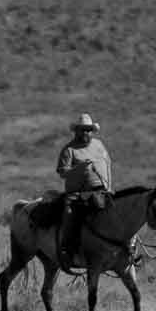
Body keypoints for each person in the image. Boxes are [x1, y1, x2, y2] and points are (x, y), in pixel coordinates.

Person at [56, 113, 112, 268]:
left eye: (88, 130)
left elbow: (108, 164)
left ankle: (127, 250)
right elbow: (62, 172)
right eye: (82, 130)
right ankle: (67, 250)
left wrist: (109, 187)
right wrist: (78, 169)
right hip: (77, 194)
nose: (86, 133)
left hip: (101, 190)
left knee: (123, 211)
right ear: (76, 131)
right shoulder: (69, 150)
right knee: (69, 214)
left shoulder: (99, 145)